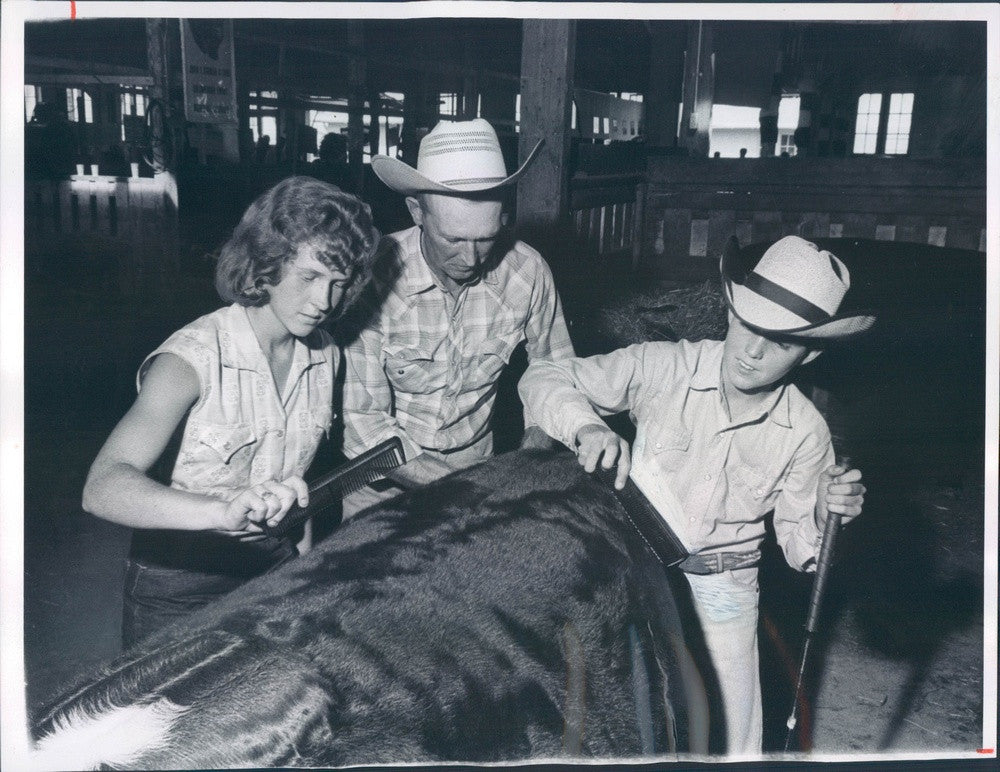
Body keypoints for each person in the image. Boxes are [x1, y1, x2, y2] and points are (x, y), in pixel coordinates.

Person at [517, 235, 874, 755]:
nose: (752, 352)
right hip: (634, 570)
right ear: (730, 314)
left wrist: (825, 514)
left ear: (810, 352)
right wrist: (585, 427)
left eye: (779, 342)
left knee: (736, 743)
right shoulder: (664, 366)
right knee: (601, 723)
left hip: (725, 586)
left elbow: (801, 549)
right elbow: (543, 374)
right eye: (749, 326)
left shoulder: (806, 431)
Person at [82, 176, 380, 647]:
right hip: (179, 585)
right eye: (309, 277)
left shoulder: (325, 354)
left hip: (273, 569)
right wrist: (220, 512)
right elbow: (102, 489)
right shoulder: (188, 362)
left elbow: (296, 490)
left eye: (338, 283)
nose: (324, 303)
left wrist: (299, 569)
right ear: (267, 265)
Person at [339, 118, 575, 518]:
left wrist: (525, 463)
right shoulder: (373, 279)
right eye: (453, 240)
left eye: (485, 240)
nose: (470, 260)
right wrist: (466, 492)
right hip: (381, 491)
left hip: (480, 471)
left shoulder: (528, 272)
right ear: (417, 211)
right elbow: (365, 422)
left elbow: (555, 369)